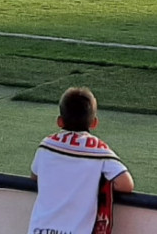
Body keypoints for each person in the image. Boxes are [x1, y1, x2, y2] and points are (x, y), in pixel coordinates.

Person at [27, 87, 134, 234]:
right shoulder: (99, 150)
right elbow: (126, 184)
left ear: (60, 121)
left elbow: (35, 175)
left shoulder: (46, 145)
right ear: (94, 123)